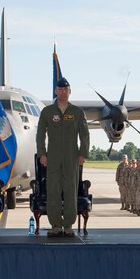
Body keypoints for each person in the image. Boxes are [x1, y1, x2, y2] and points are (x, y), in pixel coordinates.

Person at [36, 77, 90, 237]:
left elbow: (85, 135)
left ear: (70, 91)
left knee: (70, 191)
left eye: (65, 89)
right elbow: (40, 134)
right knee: (53, 191)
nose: (63, 92)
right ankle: (55, 225)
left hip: (71, 157)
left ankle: (68, 225)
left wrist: (83, 153)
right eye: (60, 89)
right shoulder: (47, 112)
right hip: (52, 157)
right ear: (56, 91)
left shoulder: (77, 112)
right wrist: (42, 154)